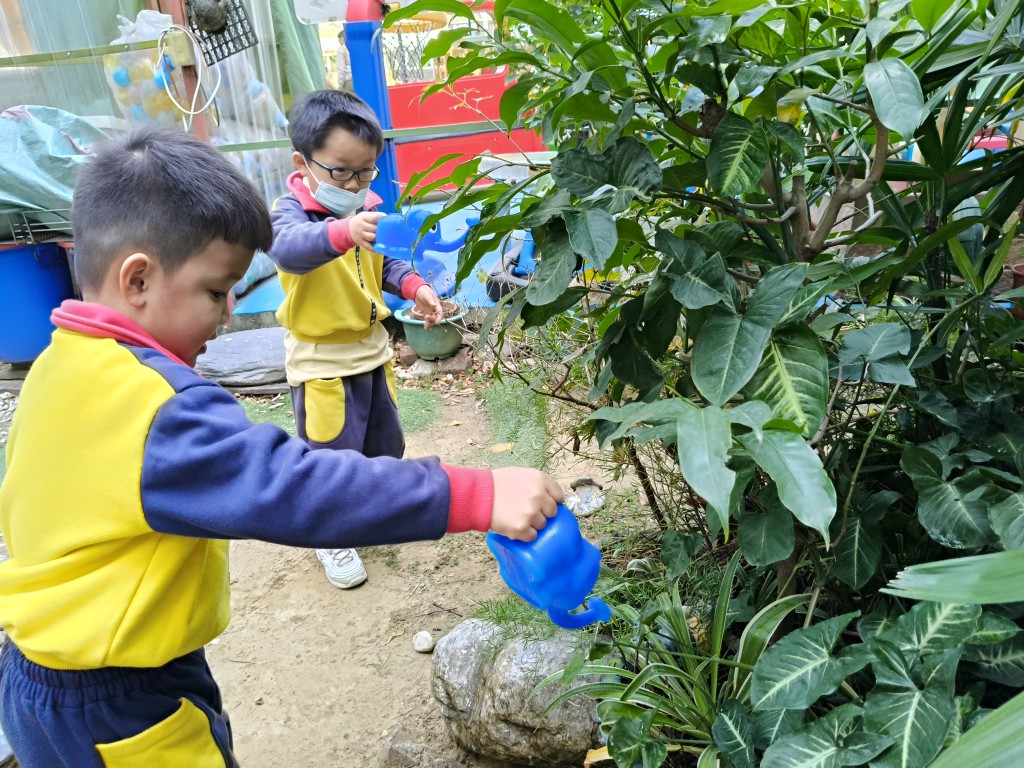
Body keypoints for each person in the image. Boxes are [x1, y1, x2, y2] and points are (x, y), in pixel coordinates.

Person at [0, 126, 562, 767]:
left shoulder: (57, 365)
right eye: (216, 292)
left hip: (42, 673)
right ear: (138, 280)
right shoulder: (159, 407)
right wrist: (478, 493)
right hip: (118, 700)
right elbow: (294, 485)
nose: (227, 314)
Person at [269, 89, 443, 590]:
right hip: (322, 361)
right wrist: (344, 231)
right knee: (330, 454)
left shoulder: (367, 207)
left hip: (372, 350)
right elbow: (288, 250)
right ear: (303, 163)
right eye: (341, 171)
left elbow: (385, 262)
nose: (354, 184)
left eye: (366, 172)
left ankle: (372, 511)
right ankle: (329, 534)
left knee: (383, 443)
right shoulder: (290, 214)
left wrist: (415, 286)